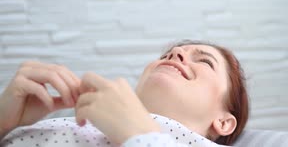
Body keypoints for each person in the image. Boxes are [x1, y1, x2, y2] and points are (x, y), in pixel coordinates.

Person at [0, 40, 249, 147]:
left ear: (224, 121)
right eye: (166, 55)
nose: (175, 55)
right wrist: (3, 125)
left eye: (204, 62)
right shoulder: (58, 124)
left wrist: (140, 135)